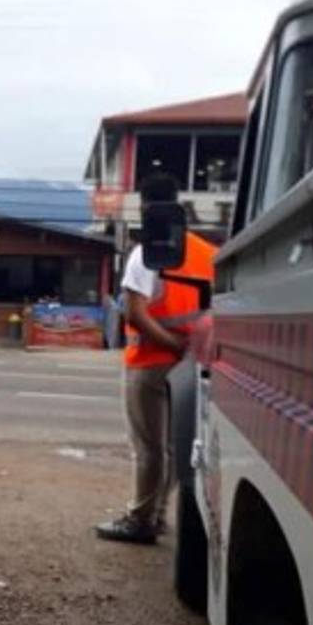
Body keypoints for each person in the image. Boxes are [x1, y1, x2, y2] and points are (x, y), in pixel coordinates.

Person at [96, 172, 217, 544]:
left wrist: (170, 344)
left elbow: (134, 313)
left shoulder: (146, 252)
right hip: (192, 367)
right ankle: (159, 515)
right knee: (173, 448)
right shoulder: (206, 251)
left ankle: (141, 520)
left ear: (146, 207)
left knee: (149, 448)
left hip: (150, 362)